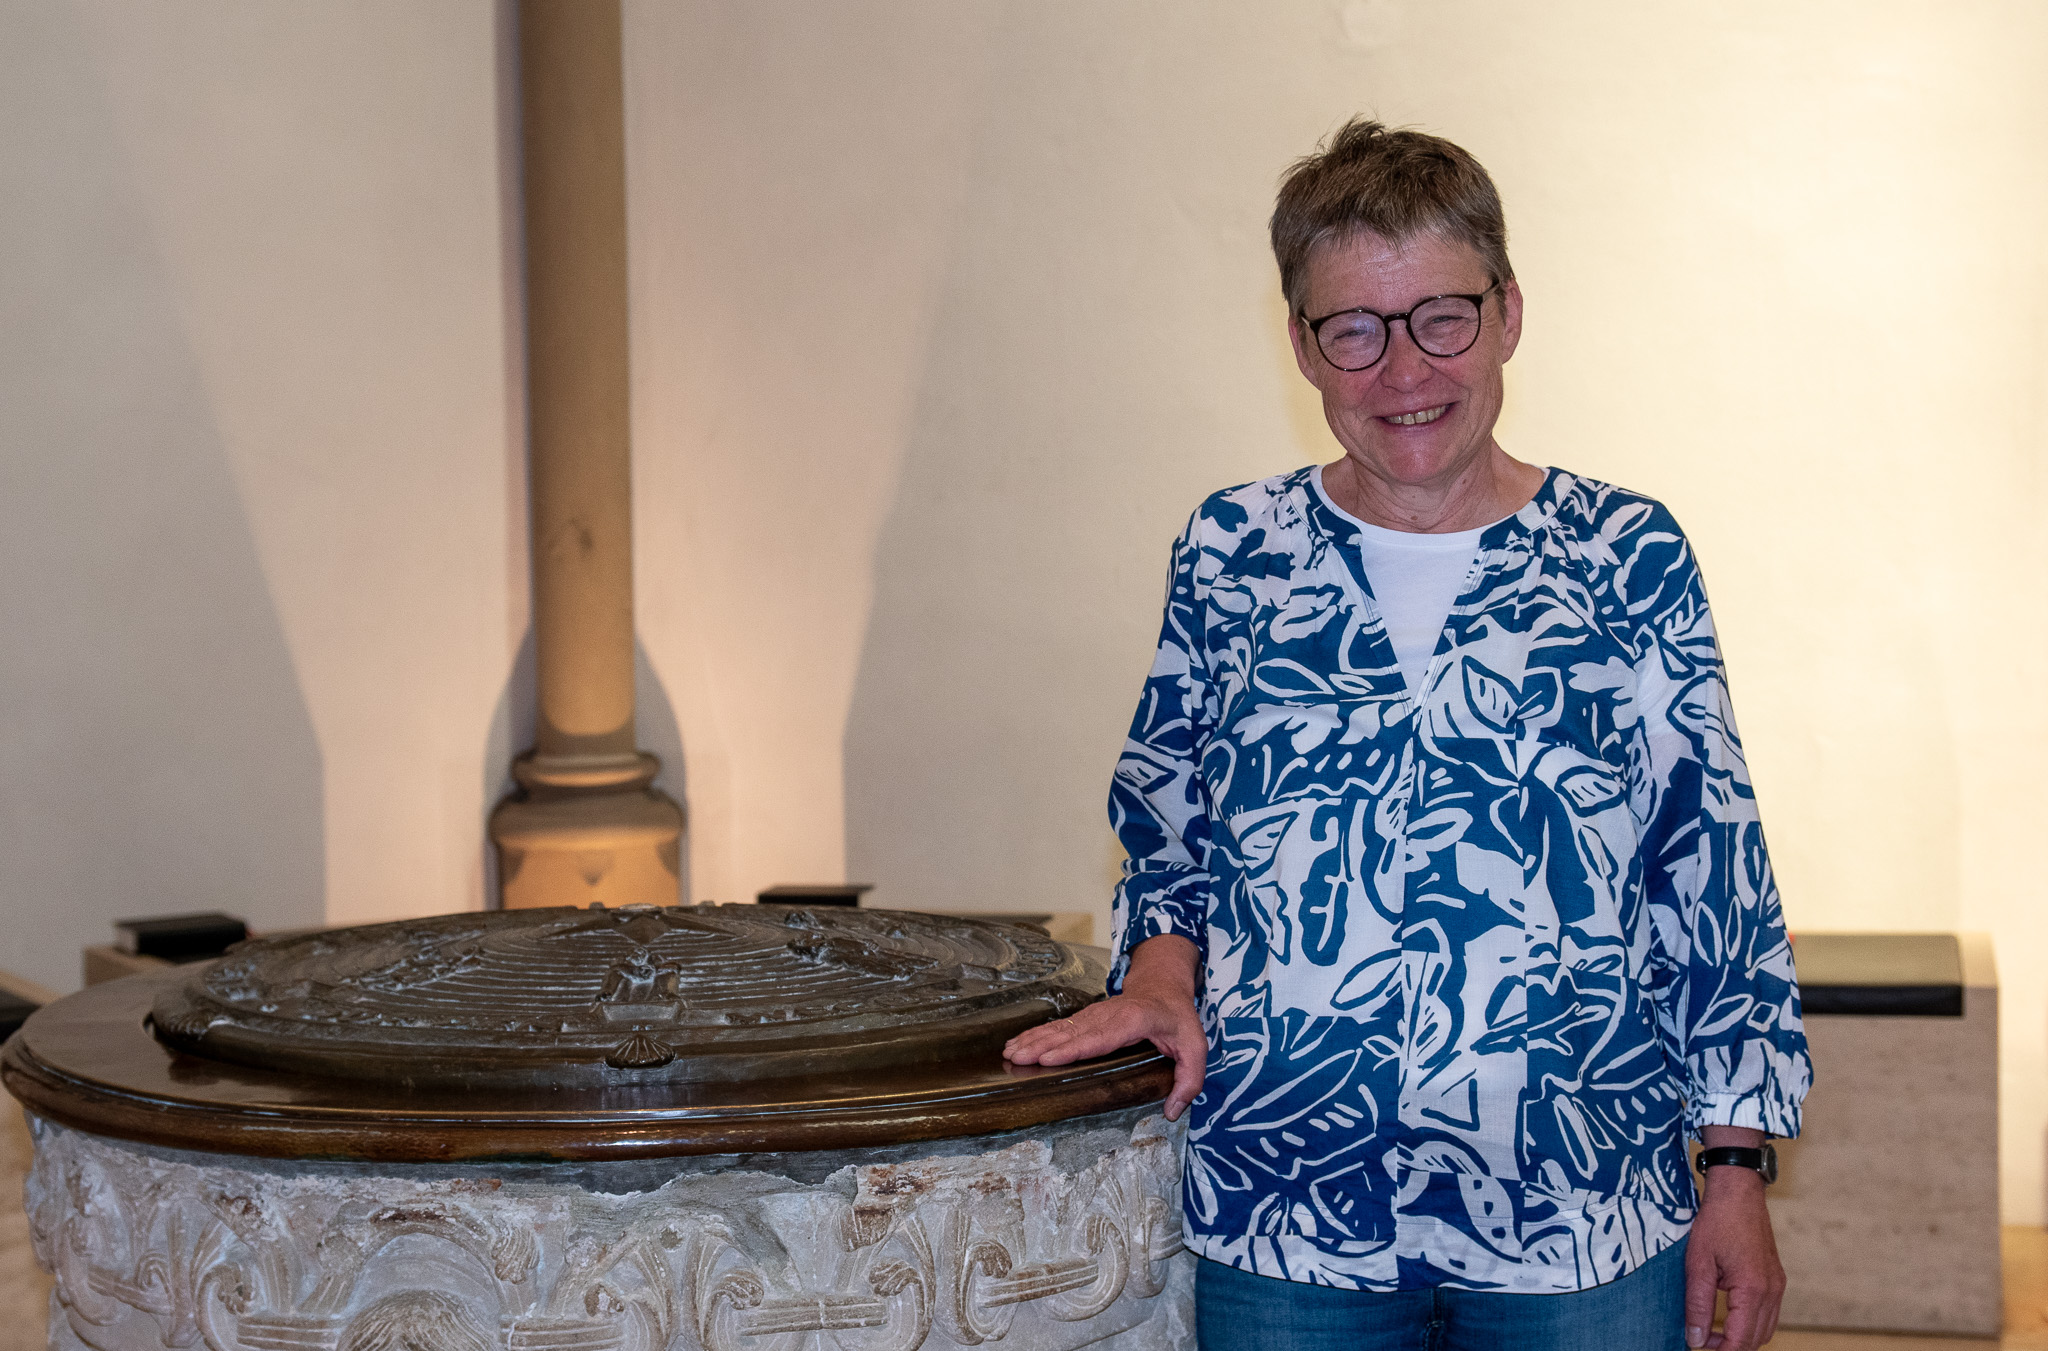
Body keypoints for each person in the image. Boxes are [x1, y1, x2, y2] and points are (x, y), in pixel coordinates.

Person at [1004, 119, 1810, 1351]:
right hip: (1286, 1208)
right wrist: (1160, 977)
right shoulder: (1233, 552)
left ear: (1507, 314)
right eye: (1354, 329)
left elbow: (1712, 877)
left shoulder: (1626, 556)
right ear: (1300, 345)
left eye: (1440, 317)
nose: (1403, 370)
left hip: (1581, 1213)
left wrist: (1736, 1170)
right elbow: (1168, 830)